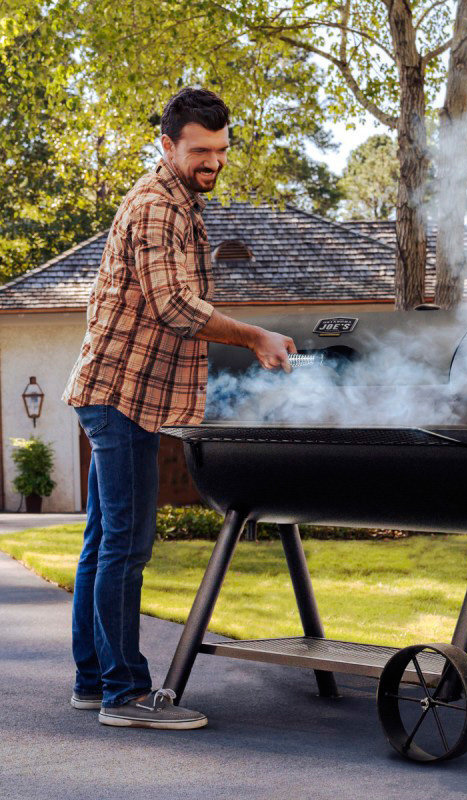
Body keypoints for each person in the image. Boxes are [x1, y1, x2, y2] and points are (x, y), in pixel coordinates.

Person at [62, 87, 295, 730]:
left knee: (102, 546)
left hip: (116, 394)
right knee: (126, 549)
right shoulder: (159, 206)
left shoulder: (179, 200)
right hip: (122, 398)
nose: (212, 162)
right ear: (168, 145)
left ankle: (93, 682)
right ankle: (126, 696)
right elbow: (175, 309)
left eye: (220, 151)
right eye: (200, 150)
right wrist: (254, 337)